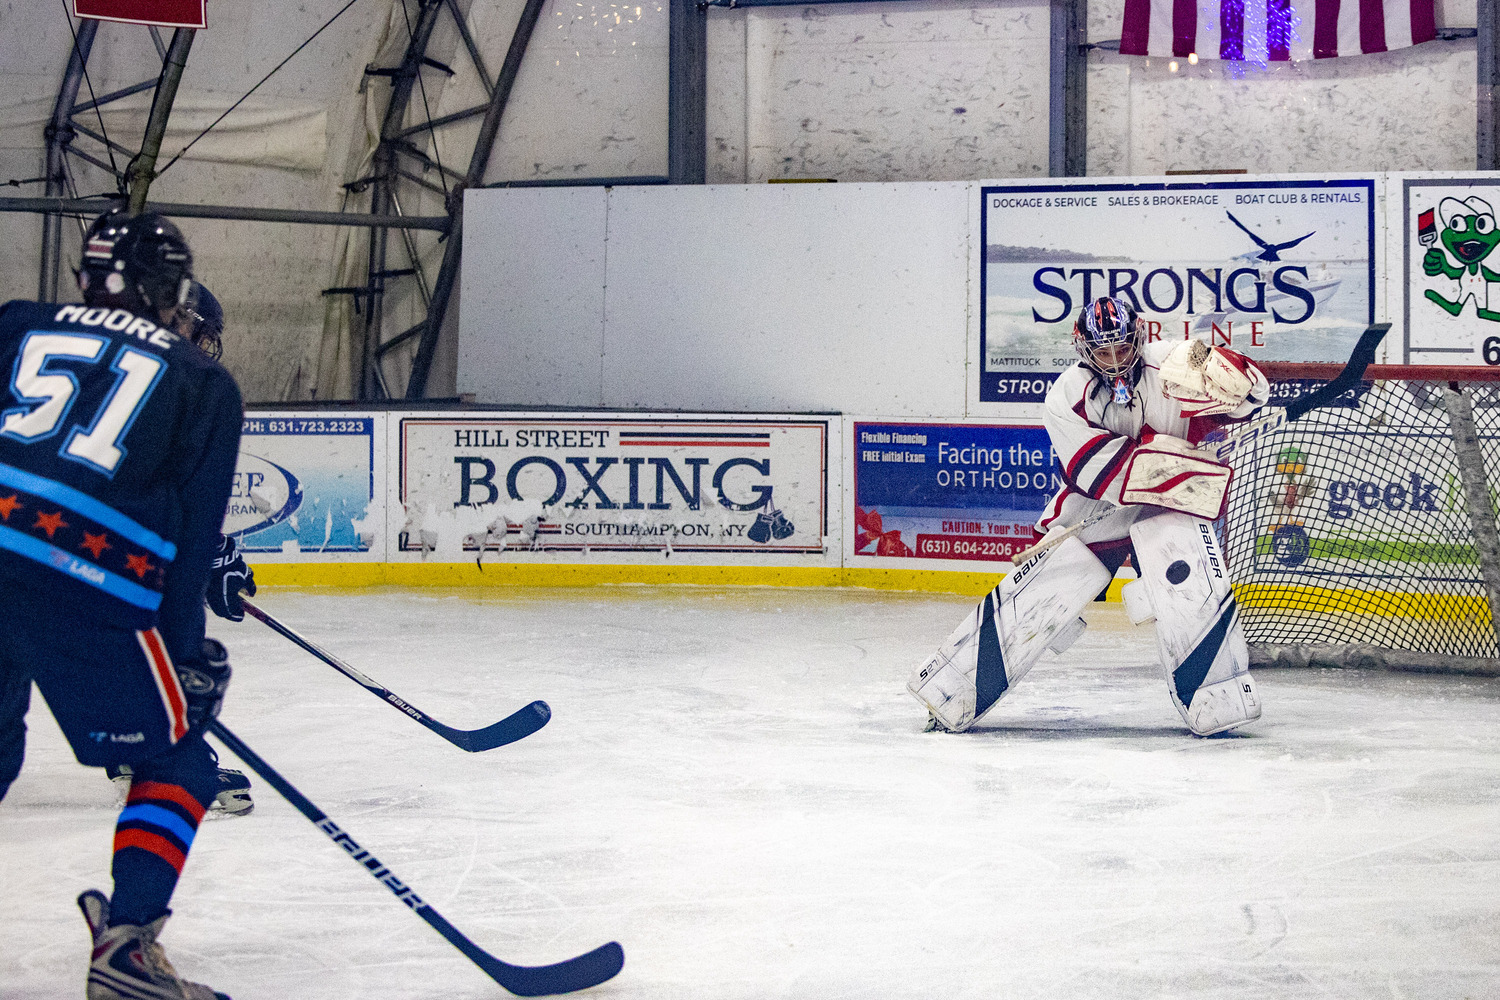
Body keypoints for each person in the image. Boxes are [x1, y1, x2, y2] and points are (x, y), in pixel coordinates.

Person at [0, 211, 243, 999]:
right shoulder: (201, 380)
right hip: (81, 579)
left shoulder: (16, 323)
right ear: (169, 287)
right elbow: (192, 544)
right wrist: (187, 657)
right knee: (178, 762)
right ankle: (127, 948)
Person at [909, 296, 1270, 737]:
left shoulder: (1176, 362)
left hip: (1171, 504)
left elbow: (1249, 400)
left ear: (1138, 336)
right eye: (1104, 351)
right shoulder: (1066, 395)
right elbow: (1096, 472)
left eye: (1122, 347)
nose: (1116, 360)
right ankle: (950, 690)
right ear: (1085, 349)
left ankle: (1222, 701)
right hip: (1096, 509)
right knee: (1044, 590)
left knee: (1188, 584)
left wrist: (1240, 377)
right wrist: (1179, 462)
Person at [105, 279, 256, 817]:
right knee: (164, 621)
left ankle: (136, 748)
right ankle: (166, 761)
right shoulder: (164, 381)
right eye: (198, 329)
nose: (202, 345)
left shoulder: (106, 355)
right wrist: (209, 556)